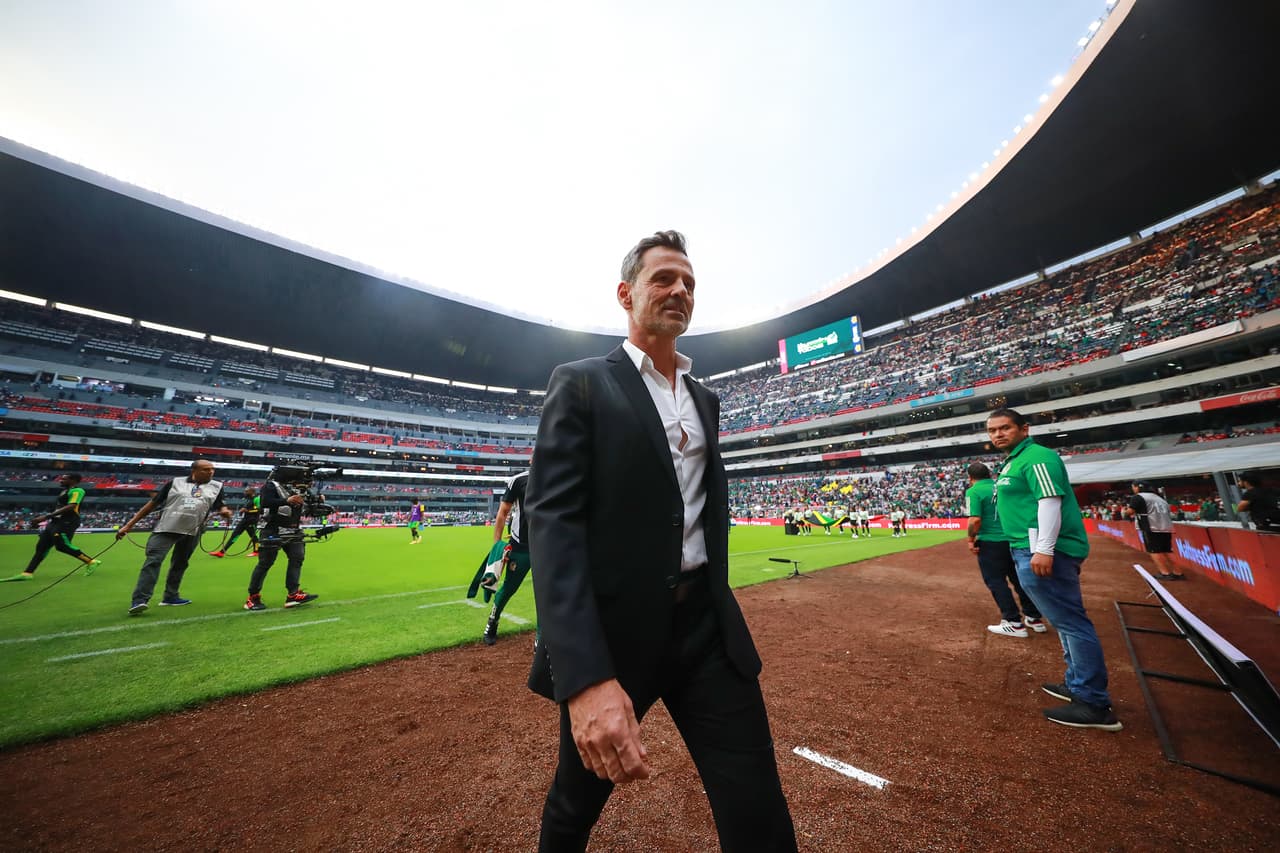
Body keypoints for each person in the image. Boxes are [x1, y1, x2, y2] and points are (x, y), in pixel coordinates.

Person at [526, 230, 796, 851]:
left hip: (707, 629)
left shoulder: (705, 399)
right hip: (616, 638)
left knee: (757, 804)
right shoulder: (583, 382)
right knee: (574, 806)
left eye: (690, 284)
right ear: (626, 294)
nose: (680, 291)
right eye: (664, 279)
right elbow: (554, 526)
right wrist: (585, 678)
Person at [987, 408, 1121, 731]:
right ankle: (1077, 684)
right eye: (992, 430)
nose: (997, 435)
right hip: (1028, 546)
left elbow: (1049, 501)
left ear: (1024, 428)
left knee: (1071, 621)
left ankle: (1092, 702)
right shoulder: (1016, 460)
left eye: (1005, 428)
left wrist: (1044, 549)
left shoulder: (1037, 457)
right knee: (1064, 620)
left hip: (1044, 549)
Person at [119, 459, 232, 614]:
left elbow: (219, 504)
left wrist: (224, 510)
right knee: (153, 560)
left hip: (193, 530)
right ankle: (139, 600)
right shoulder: (175, 483)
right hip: (167, 527)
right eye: (206, 469)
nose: (211, 472)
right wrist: (128, 525)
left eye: (212, 469)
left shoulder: (217, 486)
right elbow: (152, 504)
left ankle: (171, 596)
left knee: (180, 563)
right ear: (194, 471)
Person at [964, 462, 1045, 637]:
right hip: (1013, 539)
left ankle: (1013, 621)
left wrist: (970, 540)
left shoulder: (974, 491)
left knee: (996, 581)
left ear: (970, 478)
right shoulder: (1002, 485)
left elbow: (974, 520)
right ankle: (1034, 618)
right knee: (1018, 580)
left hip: (991, 542)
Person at [3, 473, 101, 582]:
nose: (60, 481)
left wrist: (45, 517)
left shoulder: (77, 491)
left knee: (62, 546)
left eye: (64, 479)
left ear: (73, 480)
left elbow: (72, 506)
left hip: (68, 521)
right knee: (41, 547)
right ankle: (27, 573)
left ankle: (91, 562)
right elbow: (59, 509)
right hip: (55, 522)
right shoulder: (64, 491)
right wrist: (45, 519)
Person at [243, 474, 320, 611]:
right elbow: (265, 502)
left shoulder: (301, 491)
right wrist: (286, 500)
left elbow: (307, 510)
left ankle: (293, 594)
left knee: (297, 559)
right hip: (272, 529)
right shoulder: (272, 485)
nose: (307, 485)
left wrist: (317, 502)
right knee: (265, 563)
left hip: (293, 530)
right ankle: (253, 597)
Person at [482, 468, 533, 646]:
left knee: (546, 594)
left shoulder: (555, 477)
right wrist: (497, 547)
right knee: (509, 588)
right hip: (521, 546)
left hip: (546, 547)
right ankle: (492, 621)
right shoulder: (518, 480)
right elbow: (503, 513)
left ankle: (541, 638)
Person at [1126, 483, 1183, 580]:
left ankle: (1165, 573)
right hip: (1166, 527)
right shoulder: (1159, 498)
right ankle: (1178, 572)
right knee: (1167, 550)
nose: (1133, 489)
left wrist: (1125, 512)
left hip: (1151, 526)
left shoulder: (1138, 497)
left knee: (1154, 550)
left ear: (1138, 487)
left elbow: (1130, 511)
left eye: (1134, 487)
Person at [210, 486, 261, 558]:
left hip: (252, 521)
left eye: (246, 491)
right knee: (235, 535)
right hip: (245, 520)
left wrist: (248, 511)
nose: (244, 492)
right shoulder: (248, 500)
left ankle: (256, 551)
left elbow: (260, 510)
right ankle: (221, 552)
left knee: (253, 537)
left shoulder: (257, 499)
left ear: (252, 492)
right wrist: (243, 511)